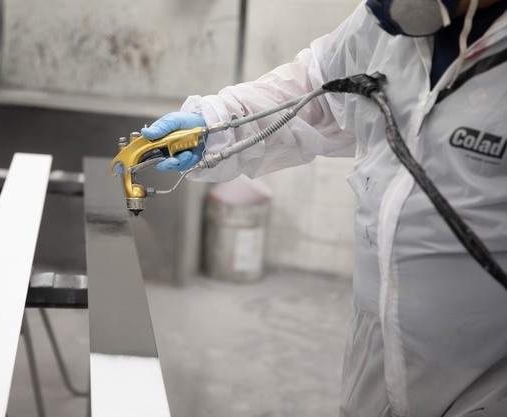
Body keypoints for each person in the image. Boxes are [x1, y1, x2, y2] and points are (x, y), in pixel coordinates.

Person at [138, 1, 507, 416]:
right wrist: (216, 125)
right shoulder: (381, 26)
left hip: (486, 382)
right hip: (374, 358)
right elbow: (316, 88)